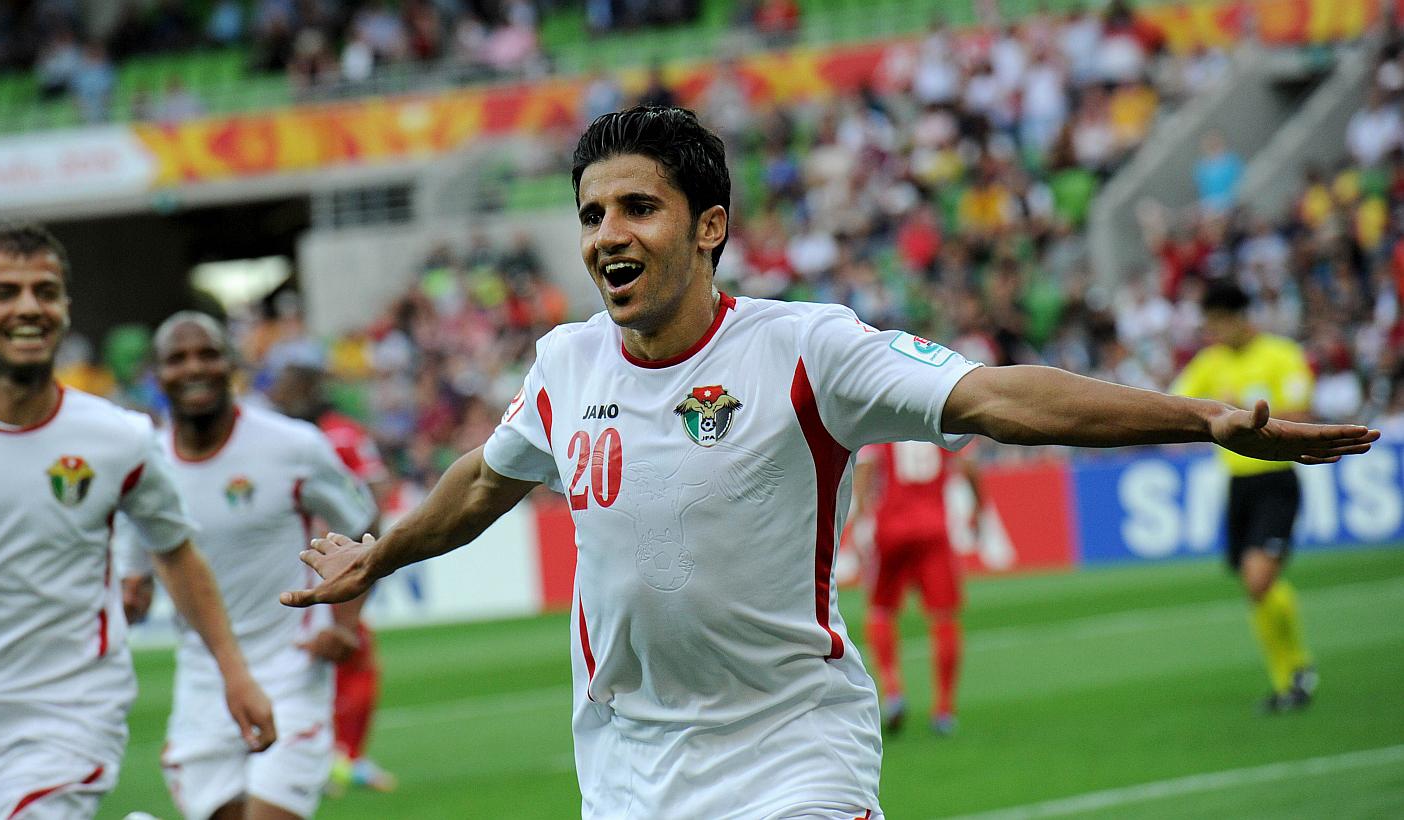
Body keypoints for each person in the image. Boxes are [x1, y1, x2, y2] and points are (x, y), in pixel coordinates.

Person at [279, 107, 1377, 819]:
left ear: (709, 226)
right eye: (592, 212)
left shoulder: (808, 348)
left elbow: (994, 395)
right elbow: (483, 479)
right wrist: (378, 554)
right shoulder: (565, 363)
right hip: (625, 772)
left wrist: (1199, 417)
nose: (607, 233)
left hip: (791, 754)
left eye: (637, 208)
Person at [0, 224, 274, 820]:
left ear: (65, 310)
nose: (29, 306)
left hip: (61, 714)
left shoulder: (116, 438)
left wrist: (237, 675)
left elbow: (176, 552)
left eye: (45, 291)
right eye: (5, 292)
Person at [116, 312, 378, 820]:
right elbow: (134, 588)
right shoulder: (145, 468)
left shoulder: (292, 445)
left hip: (293, 668)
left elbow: (364, 522)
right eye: (177, 358)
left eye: (208, 353)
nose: (194, 367)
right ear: (156, 373)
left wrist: (342, 622)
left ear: (232, 364)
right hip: (202, 682)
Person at [1171, 281, 1319, 712]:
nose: (1214, 333)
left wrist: (1248, 412)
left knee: (1258, 580)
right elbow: (1176, 401)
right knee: (1254, 587)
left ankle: (1297, 670)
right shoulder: (1210, 362)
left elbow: (1303, 415)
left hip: (1276, 479)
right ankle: (1289, 680)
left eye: (1218, 322)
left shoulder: (1281, 355)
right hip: (1237, 485)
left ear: (1240, 317)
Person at [267, 360, 396, 794]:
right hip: (329, 561)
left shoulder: (294, 438)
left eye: (286, 384)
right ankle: (336, 758)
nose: (279, 394)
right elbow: (375, 492)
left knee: (321, 652)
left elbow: (371, 496)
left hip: (319, 559)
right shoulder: (339, 434)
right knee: (346, 652)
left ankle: (324, 757)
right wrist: (370, 550)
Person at [850, 440, 984, 737]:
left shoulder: (884, 423)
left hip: (890, 528)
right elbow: (969, 463)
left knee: (881, 610)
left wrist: (859, 522)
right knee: (944, 616)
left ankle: (893, 689)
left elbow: (866, 470)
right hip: (934, 528)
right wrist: (979, 508)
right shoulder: (934, 418)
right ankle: (944, 709)